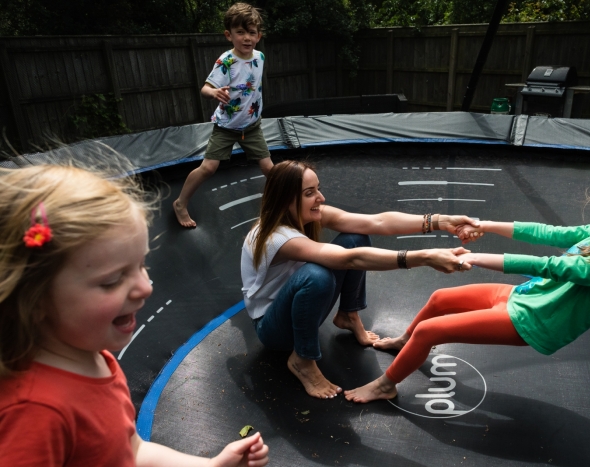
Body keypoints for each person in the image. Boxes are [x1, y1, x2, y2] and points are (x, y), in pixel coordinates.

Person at [345, 172, 590, 403]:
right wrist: (485, 224)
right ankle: (404, 344)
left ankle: (385, 386)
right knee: (440, 299)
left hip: (536, 321)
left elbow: (552, 266)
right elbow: (549, 234)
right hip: (529, 296)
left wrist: (474, 257)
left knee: (430, 330)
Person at [0, 164, 269, 467]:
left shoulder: (94, 358)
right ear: (33, 298)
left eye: (141, 265)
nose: (145, 287)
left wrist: (209, 465)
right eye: (113, 280)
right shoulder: (34, 413)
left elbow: (129, 449)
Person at [241, 160, 482, 400]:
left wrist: (439, 221)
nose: (321, 198)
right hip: (274, 329)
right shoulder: (277, 238)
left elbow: (376, 222)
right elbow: (350, 259)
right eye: (309, 193)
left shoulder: (304, 216)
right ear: (285, 200)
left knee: (356, 236)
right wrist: (425, 257)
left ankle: (348, 315)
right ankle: (302, 360)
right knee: (317, 276)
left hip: (297, 310)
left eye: (318, 189)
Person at [174, 3, 273, 228]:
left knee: (270, 169)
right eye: (240, 32)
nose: (247, 38)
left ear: (259, 35)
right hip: (226, 127)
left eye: (252, 33)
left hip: (252, 126)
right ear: (229, 35)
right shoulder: (226, 62)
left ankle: (285, 202)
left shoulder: (260, 57)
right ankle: (180, 203)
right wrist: (215, 92)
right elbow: (205, 89)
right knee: (209, 168)